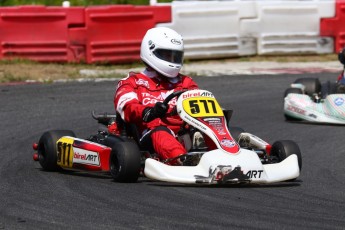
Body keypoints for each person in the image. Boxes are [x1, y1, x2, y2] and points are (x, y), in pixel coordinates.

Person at [112, 27, 198, 165]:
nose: (172, 60)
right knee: (161, 132)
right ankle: (183, 160)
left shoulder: (185, 82)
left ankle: (228, 153)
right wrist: (148, 112)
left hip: (183, 133)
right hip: (149, 135)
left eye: (175, 56)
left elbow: (199, 101)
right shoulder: (132, 82)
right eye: (166, 55)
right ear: (151, 51)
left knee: (203, 129)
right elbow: (126, 106)